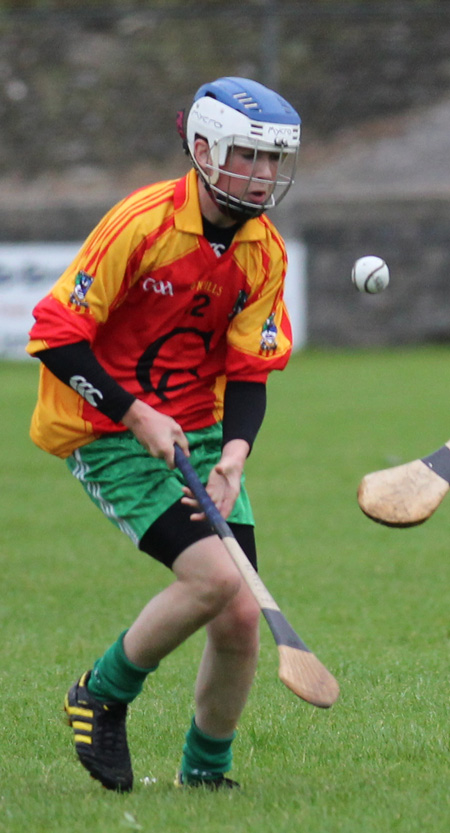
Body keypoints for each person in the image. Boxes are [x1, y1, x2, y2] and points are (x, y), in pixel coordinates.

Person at [26, 76, 301, 792]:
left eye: (275, 160)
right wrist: (135, 412)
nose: (265, 175)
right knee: (213, 577)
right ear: (204, 149)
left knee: (242, 611)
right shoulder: (141, 223)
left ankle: (205, 776)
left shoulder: (263, 252)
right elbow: (55, 333)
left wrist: (235, 455)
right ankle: (102, 692)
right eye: (250, 156)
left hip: (204, 432)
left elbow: (249, 369)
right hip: (106, 428)